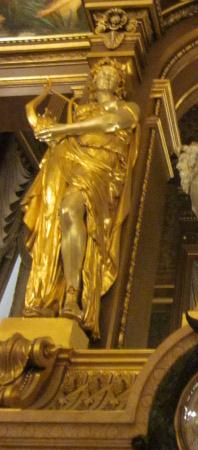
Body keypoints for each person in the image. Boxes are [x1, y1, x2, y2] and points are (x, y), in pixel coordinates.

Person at [22, 58, 139, 339]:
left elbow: (112, 123)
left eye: (112, 75)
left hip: (101, 169)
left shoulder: (128, 108)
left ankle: (74, 295)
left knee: (71, 209)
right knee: (60, 215)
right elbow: (46, 128)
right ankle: (61, 294)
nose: (107, 77)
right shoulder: (80, 109)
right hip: (71, 162)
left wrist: (62, 129)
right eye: (102, 74)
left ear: (119, 85)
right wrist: (49, 128)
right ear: (93, 81)